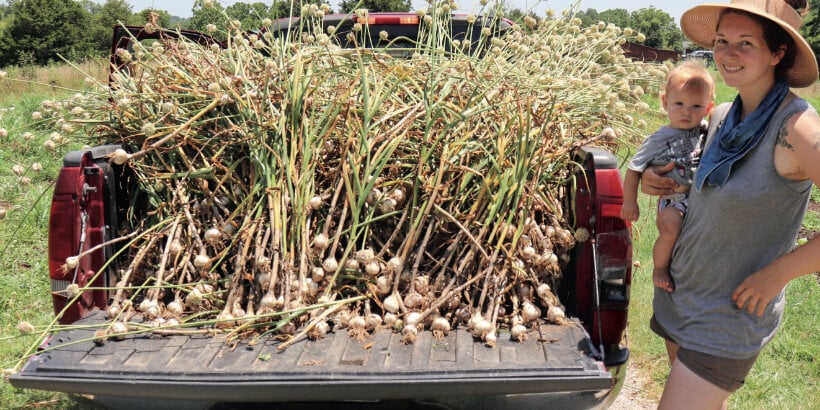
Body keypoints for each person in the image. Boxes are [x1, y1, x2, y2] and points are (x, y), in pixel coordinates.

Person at [639, 0, 820, 408]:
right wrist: (657, 178)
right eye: (722, 41)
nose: (727, 53)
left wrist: (778, 275)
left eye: (745, 43)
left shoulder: (796, 127)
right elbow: (692, 178)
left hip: (728, 316)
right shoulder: (721, 115)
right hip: (682, 296)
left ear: (778, 53)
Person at [620, 60, 714, 293]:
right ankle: (660, 268)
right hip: (673, 199)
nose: (686, 112)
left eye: (696, 106)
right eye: (679, 103)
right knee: (670, 226)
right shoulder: (657, 139)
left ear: (708, 108)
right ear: (665, 102)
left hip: (700, 199)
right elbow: (634, 169)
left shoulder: (707, 130)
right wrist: (629, 201)